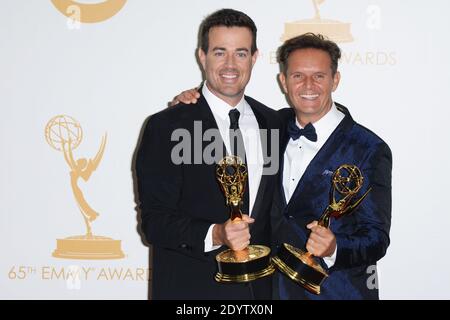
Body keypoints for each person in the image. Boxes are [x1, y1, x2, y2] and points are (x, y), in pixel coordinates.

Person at [172, 33, 392, 300]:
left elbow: (376, 237)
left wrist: (336, 247)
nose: (308, 85)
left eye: (319, 76)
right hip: (270, 292)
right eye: (298, 75)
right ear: (283, 82)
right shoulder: (271, 128)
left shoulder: (368, 148)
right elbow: (222, 114)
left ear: (335, 80)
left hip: (336, 293)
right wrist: (190, 105)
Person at [135, 8, 281, 300]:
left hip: (261, 294)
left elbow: (324, 119)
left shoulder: (274, 123)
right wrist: (216, 233)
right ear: (202, 56)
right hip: (193, 292)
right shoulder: (167, 126)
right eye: (219, 52)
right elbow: (154, 222)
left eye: (240, 53)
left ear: (254, 58)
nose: (230, 64)